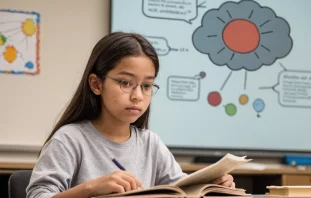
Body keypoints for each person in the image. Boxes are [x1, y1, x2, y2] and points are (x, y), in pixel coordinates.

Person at [26, 32, 234, 198]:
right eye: (125, 83)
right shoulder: (69, 139)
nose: (138, 96)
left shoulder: (150, 143)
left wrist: (212, 186)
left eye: (147, 85)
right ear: (96, 84)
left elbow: (180, 189)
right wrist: (90, 189)